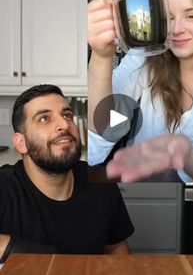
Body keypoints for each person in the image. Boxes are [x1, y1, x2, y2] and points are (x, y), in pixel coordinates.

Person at [88, 0, 193, 183]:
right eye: (169, 17)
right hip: (139, 195)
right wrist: (101, 56)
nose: (177, 29)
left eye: (191, 16)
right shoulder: (141, 60)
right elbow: (104, 127)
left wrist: (184, 153)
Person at [0, 85, 134, 263]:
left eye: (67, 115)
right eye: (44, 119)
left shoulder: (100, 182)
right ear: (21, 143)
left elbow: (116, 248)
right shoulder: (4, 187)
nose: (64, 124)